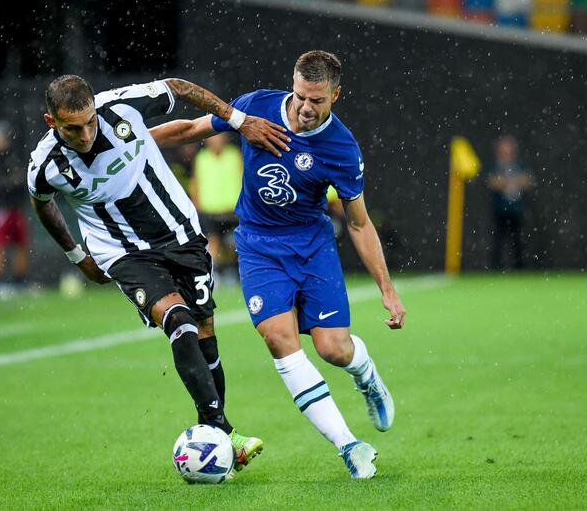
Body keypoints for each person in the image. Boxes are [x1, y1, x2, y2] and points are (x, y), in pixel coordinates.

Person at [150, 50, 406, 479]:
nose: (306, 107)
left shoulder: (342, 148)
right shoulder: (256, 107)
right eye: (301, 95)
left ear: (336, 96)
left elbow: (359, 224)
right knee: (278, 339)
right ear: (293, 82)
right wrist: (134, 137)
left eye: (317, 101)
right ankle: (350, 446)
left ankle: (366, 374)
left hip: (311, 247)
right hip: (258, 246)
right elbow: (194, 128)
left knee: (333, 349)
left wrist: (388, 289)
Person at [27, 74, 291, 472]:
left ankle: (215, 431)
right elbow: (41, 202)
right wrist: (78, 256)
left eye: (89, 122)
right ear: (52, 122)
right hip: (124, 255)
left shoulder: (122, 106)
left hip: (183, 237)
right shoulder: (46, 165)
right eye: (71, 128)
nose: (84, 134)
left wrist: (238, 120)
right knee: (179, 323)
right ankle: (222, 431)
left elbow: (178, 87)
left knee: (206, 337)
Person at [190, 133, 243, 284]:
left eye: (219, 138)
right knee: (212, 243)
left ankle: (237, 272)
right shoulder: (201, 158)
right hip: (210, 210)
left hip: (233, 210)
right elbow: (196, 181)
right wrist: (197, 204)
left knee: (238, 243)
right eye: (213, 138)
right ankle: (215, 274)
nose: (216, 141)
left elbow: (243, 176)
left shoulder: (234, 154)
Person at [0, 120, 32, 298]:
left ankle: (20, 281)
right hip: (0, 209)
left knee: (21, 244)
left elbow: (20, 178)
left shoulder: (12, 155)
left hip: (16, 207)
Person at [486, 135, 534, 270]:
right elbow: (493, 182)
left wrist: (506, 181)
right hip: (500, 211)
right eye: (503, 148)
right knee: (498, 242)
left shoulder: (519, 165)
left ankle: (519, 269)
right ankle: (496, 269)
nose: (506, 151)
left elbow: (528, 180)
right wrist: (513, 181)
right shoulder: (495, 166)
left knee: (518, 242)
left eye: (508, 148)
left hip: (516, 210)